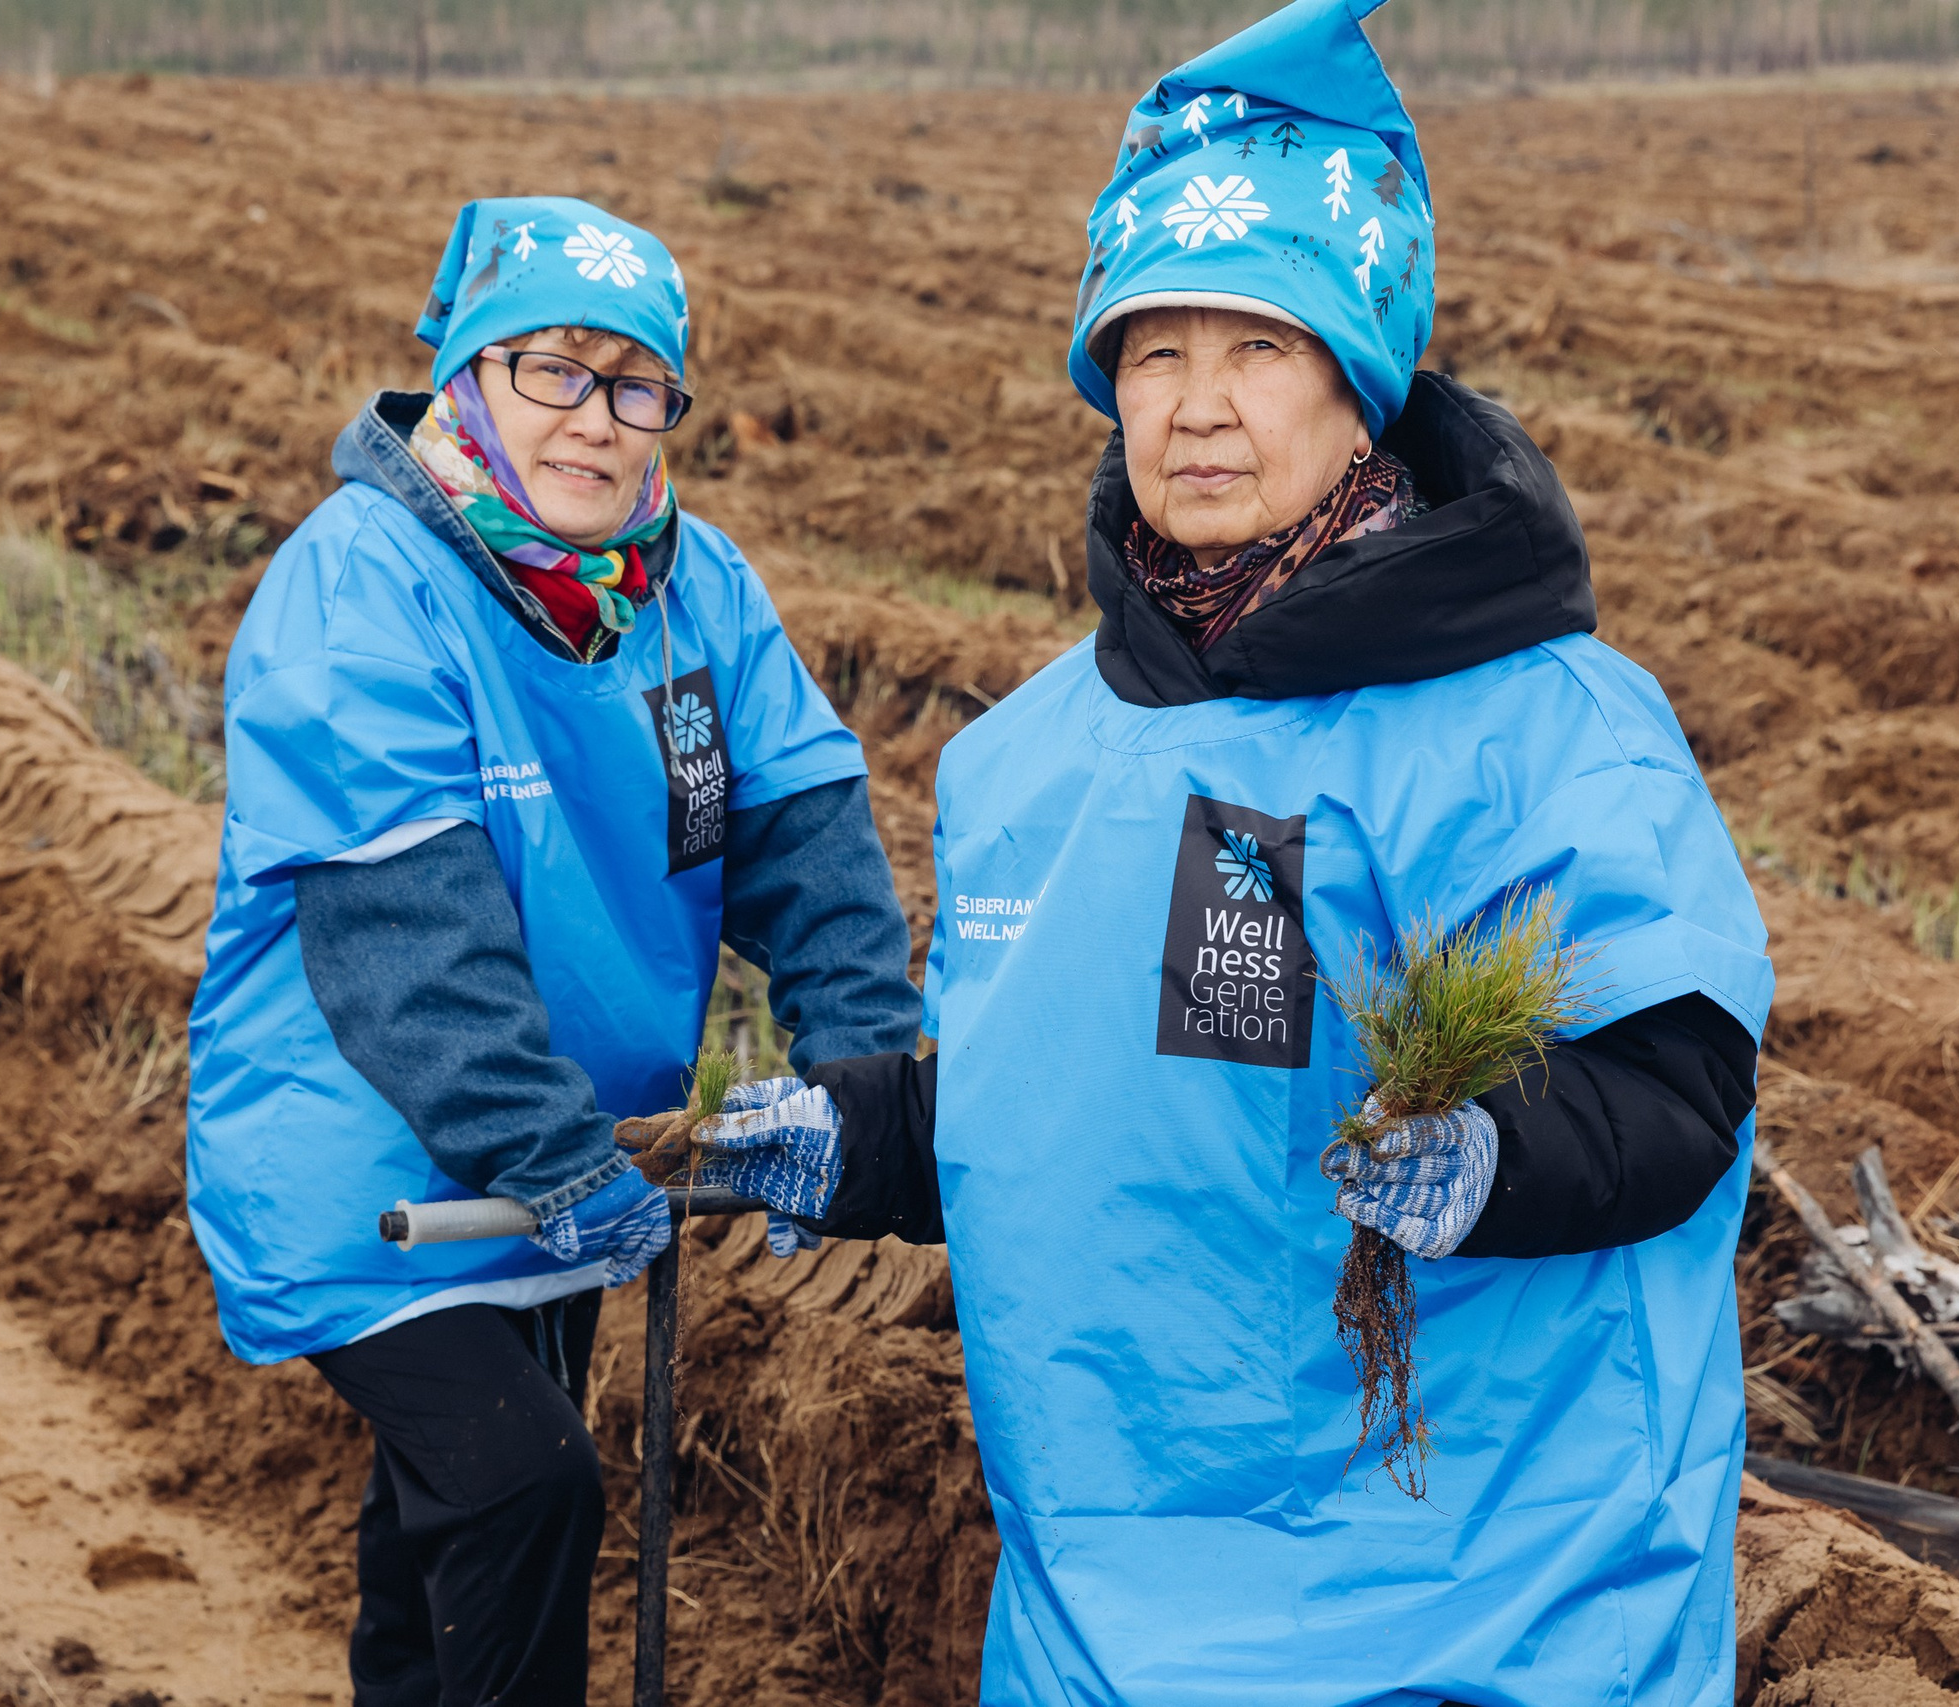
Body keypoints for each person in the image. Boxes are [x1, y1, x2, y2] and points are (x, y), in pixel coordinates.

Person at [696, 3, 1775, 1701]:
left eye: (1258, 348)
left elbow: (1679, 1086)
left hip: (1480, 1587)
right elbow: (1053, 1099)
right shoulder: (1030, 760)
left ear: (1361, 383)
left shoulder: (1542, 728)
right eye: (1152, 350)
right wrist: (865, 1134)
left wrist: (1493, 1160)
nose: (1198, 409)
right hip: (1114, 1602)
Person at [181, 195, 922, 1707]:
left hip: (582, 1147)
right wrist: (545, 1151)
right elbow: (407, 933)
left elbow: (808, 844)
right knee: (524, 1487)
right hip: (365, 1151)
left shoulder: (692, 591)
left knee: (442, 1531)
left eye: (636, 384)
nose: (598, 422)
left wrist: (859, 1100)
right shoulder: (362, 585)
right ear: (467, 378)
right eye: (552, 372)